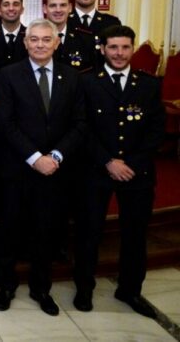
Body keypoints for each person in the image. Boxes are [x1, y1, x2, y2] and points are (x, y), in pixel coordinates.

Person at [0, 19, 87, 316]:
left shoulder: (72, 77)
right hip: (18, 167)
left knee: (46, 231)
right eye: (34, 39)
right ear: (25, 43)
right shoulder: (9, 74)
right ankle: (6, 286)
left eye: (46, 39)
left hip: (56, 170)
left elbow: (80, 123)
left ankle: (41, 288)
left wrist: (55, 156)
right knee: (10, 229)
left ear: (57, 42)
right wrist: (35, 157)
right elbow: (5, 122)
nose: (40, 44)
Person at [74, 25, 165, 318]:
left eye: (125, 47)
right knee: (89, 232)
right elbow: (81, 127)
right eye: (113, 47)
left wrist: (131, 164)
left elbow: (156, 130)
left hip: (137, 173)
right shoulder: (87, 82)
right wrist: (108, 161)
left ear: (132, 49)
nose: (119, 53)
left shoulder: (148, 84)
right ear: (102, 49)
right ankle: (84, 288)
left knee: (135, 235)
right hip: (95, 169)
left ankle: (130, 290)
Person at [44, 0, 97, 71]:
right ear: (45, 8)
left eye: (63, 5)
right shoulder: (34, 38)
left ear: (70, 8)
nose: (58, 10)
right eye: (53, 5)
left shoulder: (85, 38)